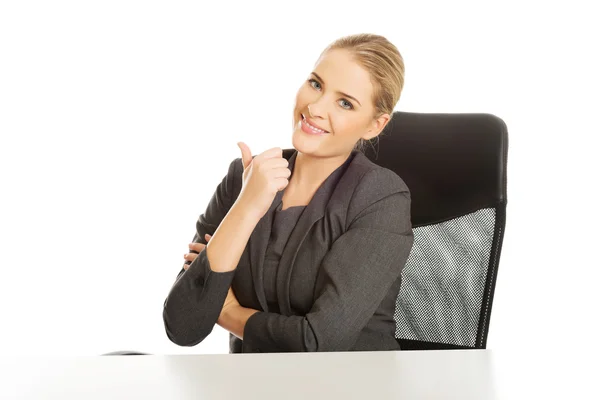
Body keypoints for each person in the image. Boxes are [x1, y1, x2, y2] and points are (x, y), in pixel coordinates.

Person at [163, 33, 414, 353]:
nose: (315, 107)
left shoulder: (380, 198)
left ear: (374, 126)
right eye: (316, 84)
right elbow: (183, 325)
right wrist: (246, 207)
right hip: (252, 385)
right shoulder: (245, 178)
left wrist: (227, 312)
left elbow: (320, 342)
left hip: (349, 386)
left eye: (345, 103)